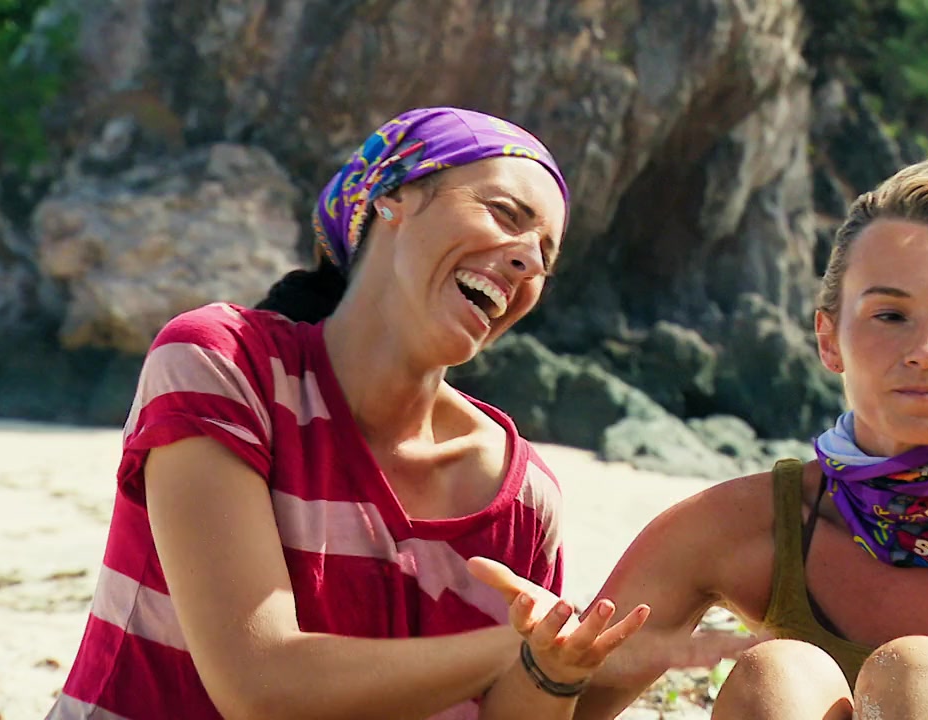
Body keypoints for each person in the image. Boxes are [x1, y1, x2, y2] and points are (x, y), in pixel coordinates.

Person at [475, 147, 928, 719]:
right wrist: (551, 668)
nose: (927, 350)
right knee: (778, 675)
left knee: (916, 676)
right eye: (890, 315)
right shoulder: (740, 527)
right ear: (829, 339)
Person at [47, 106, 652, 720]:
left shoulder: (522, 498)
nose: (528, 262)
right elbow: (259, 686)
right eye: (503, 213)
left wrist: (552, 672)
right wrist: (512, 652)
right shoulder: (224, 364)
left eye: (545, 256)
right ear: (392, 197)